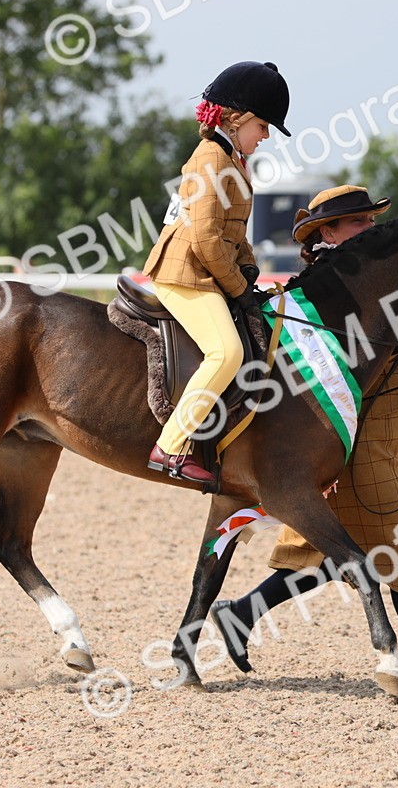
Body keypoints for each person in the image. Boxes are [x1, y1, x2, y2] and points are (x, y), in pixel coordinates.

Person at [211, 185, 398, 691]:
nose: (370, 229)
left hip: (381, 434)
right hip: (356, 440)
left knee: (329, 549)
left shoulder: (378, 283)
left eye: (371, 221)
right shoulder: (323, 292)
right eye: (358, 222)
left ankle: (241, 614)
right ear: (327, 232)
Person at [142, 61, 291, 483]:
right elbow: (206, 238)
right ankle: (171, 447)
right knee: (227, 352)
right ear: (236, 119)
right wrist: (238, 286)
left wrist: (249, 265)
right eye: (263, 126)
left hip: (205, 270)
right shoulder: (211, 159)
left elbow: (233, 232)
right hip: (185, 273)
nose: (265, 136)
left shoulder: (231, 159)